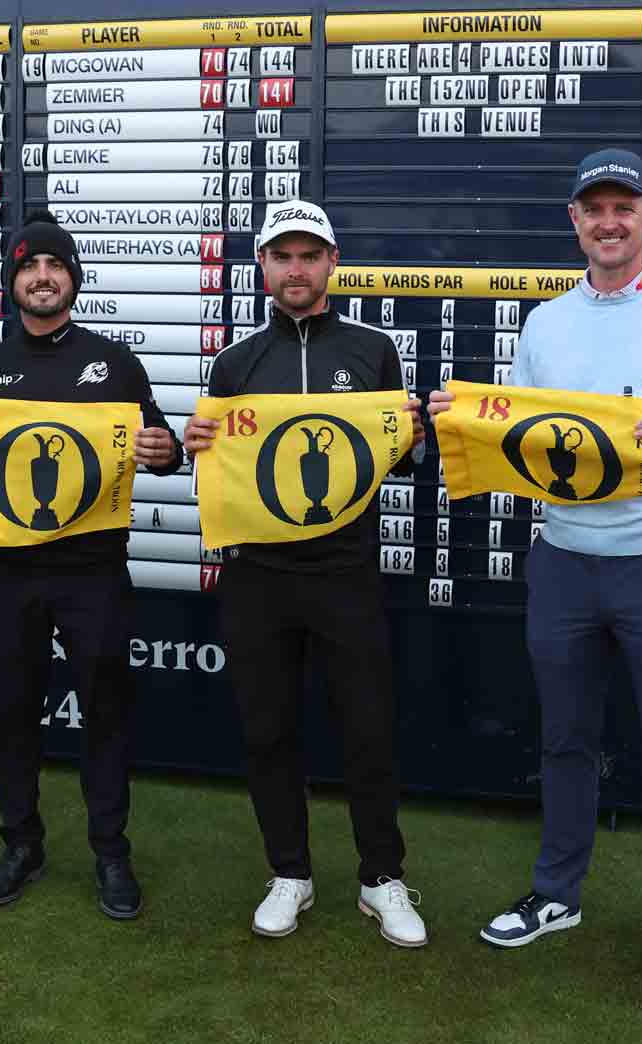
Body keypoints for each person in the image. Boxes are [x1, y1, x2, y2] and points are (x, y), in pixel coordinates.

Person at [429, 149, 642, 1015]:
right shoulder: (545, 324)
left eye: (624, 207)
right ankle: (556, 895)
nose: (609, 223)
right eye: (594, 209)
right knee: (566, 741)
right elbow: (524, 438)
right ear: (573, 221)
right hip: (565, 561)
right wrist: (461, 422)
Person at [0, 211, 183, 916]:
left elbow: (160, 441)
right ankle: (21, 845)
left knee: (106, 711)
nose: (41, 277)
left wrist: (165, 450)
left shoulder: (114, 361)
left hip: (92, 569)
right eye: (28, 267)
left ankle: (110, 853)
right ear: (13, 283)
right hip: (6, 571)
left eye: (54, 266)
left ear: (72, 279)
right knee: (11, 712)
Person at [181, 201, 429, 946]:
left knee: (367, 729)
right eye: (281, 255)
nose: (296, 268)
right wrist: (198, 442)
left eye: (309, 254)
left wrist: (419, 433)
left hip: (344, 570)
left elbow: (407, 460)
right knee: (268, 729)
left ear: (332, 262)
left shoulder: (373, 349)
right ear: (262, 267)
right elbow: (215, 476)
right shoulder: (234, 363)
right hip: (257, 574)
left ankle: (382, 878)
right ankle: (289, 872)